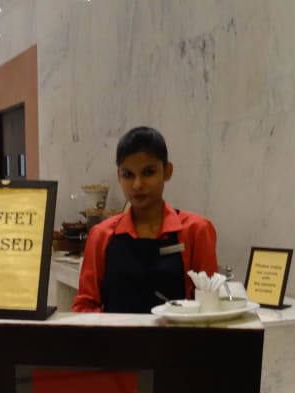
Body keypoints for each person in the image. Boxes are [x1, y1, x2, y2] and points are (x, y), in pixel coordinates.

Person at [72, 127, 218, 313]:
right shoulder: (101, 236)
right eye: (128, 175)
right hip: (115, 333)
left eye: (148, 172)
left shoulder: (196, 230)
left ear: (167, 171)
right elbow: (85, 306)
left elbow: (209, 307)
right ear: (119, 176)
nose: (137, 184)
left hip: (179, 333)